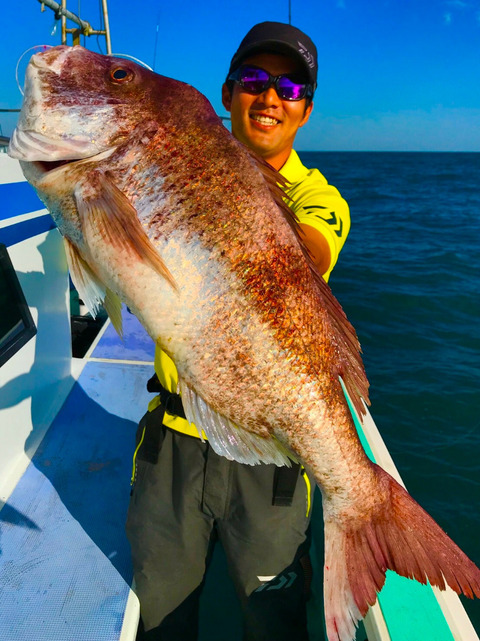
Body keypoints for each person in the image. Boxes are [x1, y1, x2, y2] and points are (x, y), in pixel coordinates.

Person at [126, 21, 351, 641]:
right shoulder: (176, 167)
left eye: (289, 86)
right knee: (160, 620)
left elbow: (306, 255)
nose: (270, 96)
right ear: (226, 95)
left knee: (274, 625)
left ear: (306, 109)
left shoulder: (319, 198)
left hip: (270, 461)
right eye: (253, 80)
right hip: (173, 443)